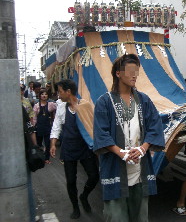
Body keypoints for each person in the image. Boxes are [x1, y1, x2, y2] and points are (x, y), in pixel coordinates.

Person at [93, 54, 165, 222]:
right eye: (131, 71)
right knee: (117, 217)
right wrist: (121, 153)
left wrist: (143, 148)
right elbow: (101, 133)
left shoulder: (144, 100)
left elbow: (155, 126)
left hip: (140, 168)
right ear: (118, 73)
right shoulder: (104, 101)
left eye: (137, 71)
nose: (135, 75)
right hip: (115, 166)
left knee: (141, 217)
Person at [50, 79, 99, 219]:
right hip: (68, 149)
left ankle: (84, 196)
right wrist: (53, 144)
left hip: (84, 148)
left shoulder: (85, 105)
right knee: (71, 180)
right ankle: (75, 207)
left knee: (94, 176)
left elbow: (92, 125)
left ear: (68, 92)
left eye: (60, 91)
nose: (58, 95)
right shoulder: (60, 106)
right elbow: (56, 126)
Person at [33, 88, 57, 164]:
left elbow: (59, 108)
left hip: (47, 127)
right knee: (39, 144)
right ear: (39, 96)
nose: (44, 96)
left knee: (47, 143)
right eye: (42, 94)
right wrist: (33, 126)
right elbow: (34, 117)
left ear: (48, 96)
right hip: (39, 127)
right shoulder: (36, 106)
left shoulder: (51, 104)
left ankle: (46, 158)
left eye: (46, 94)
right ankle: (39, 158)